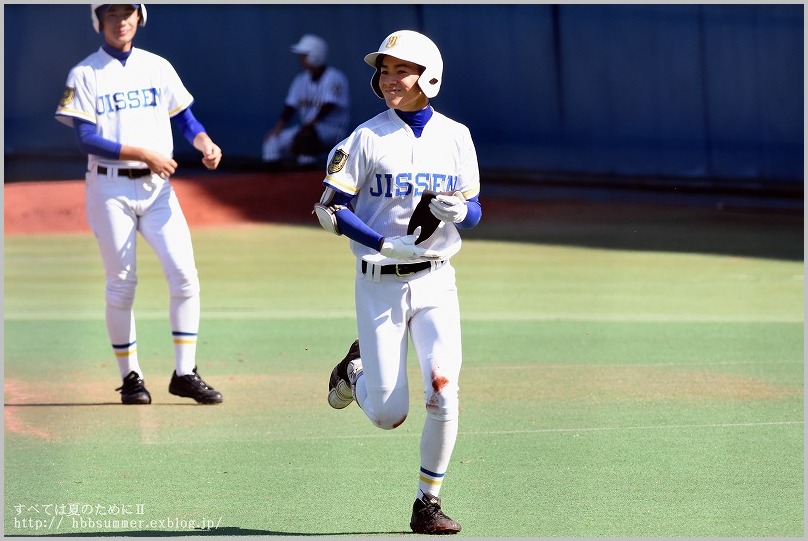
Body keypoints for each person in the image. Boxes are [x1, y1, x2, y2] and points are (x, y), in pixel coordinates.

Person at [314, 30, 482, 535]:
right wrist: (384, 245)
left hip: (436, 281)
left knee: (444, 390)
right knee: (388, 414)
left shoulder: (456, 136)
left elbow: (473, 213)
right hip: (379, 283)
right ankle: (354, 371)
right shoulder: (366, 137)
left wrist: (462, 210)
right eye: (385, 71)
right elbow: (328, 208)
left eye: (401, 70)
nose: (390, 80)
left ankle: (426, 504)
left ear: (428, 76)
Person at [54, 4, 224, 405]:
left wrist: (203, 142)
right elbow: (86, 140)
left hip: (157, 188)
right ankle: (131, 378)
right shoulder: (84, 73)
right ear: (98, 21)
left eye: (128, 12)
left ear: (140, 17)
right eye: (111, 14)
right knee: (122, 284)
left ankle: (185, 373)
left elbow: (185, 118)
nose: (121, 21)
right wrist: (144, 153)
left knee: (184, 274)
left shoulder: (157, 67)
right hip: (109, 189)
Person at [262, 34, 350, 168]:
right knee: (272, 142)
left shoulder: (334, 77)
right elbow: (289, 107)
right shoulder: (301, 79)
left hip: (331, 129)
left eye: (304, 55)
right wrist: (277, 130)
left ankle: (306, 181)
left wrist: (307, 129)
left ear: (315, 55)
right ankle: (274, 185)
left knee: (307, 144)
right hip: (307, 128)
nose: (301, 59)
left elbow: (328, 106)